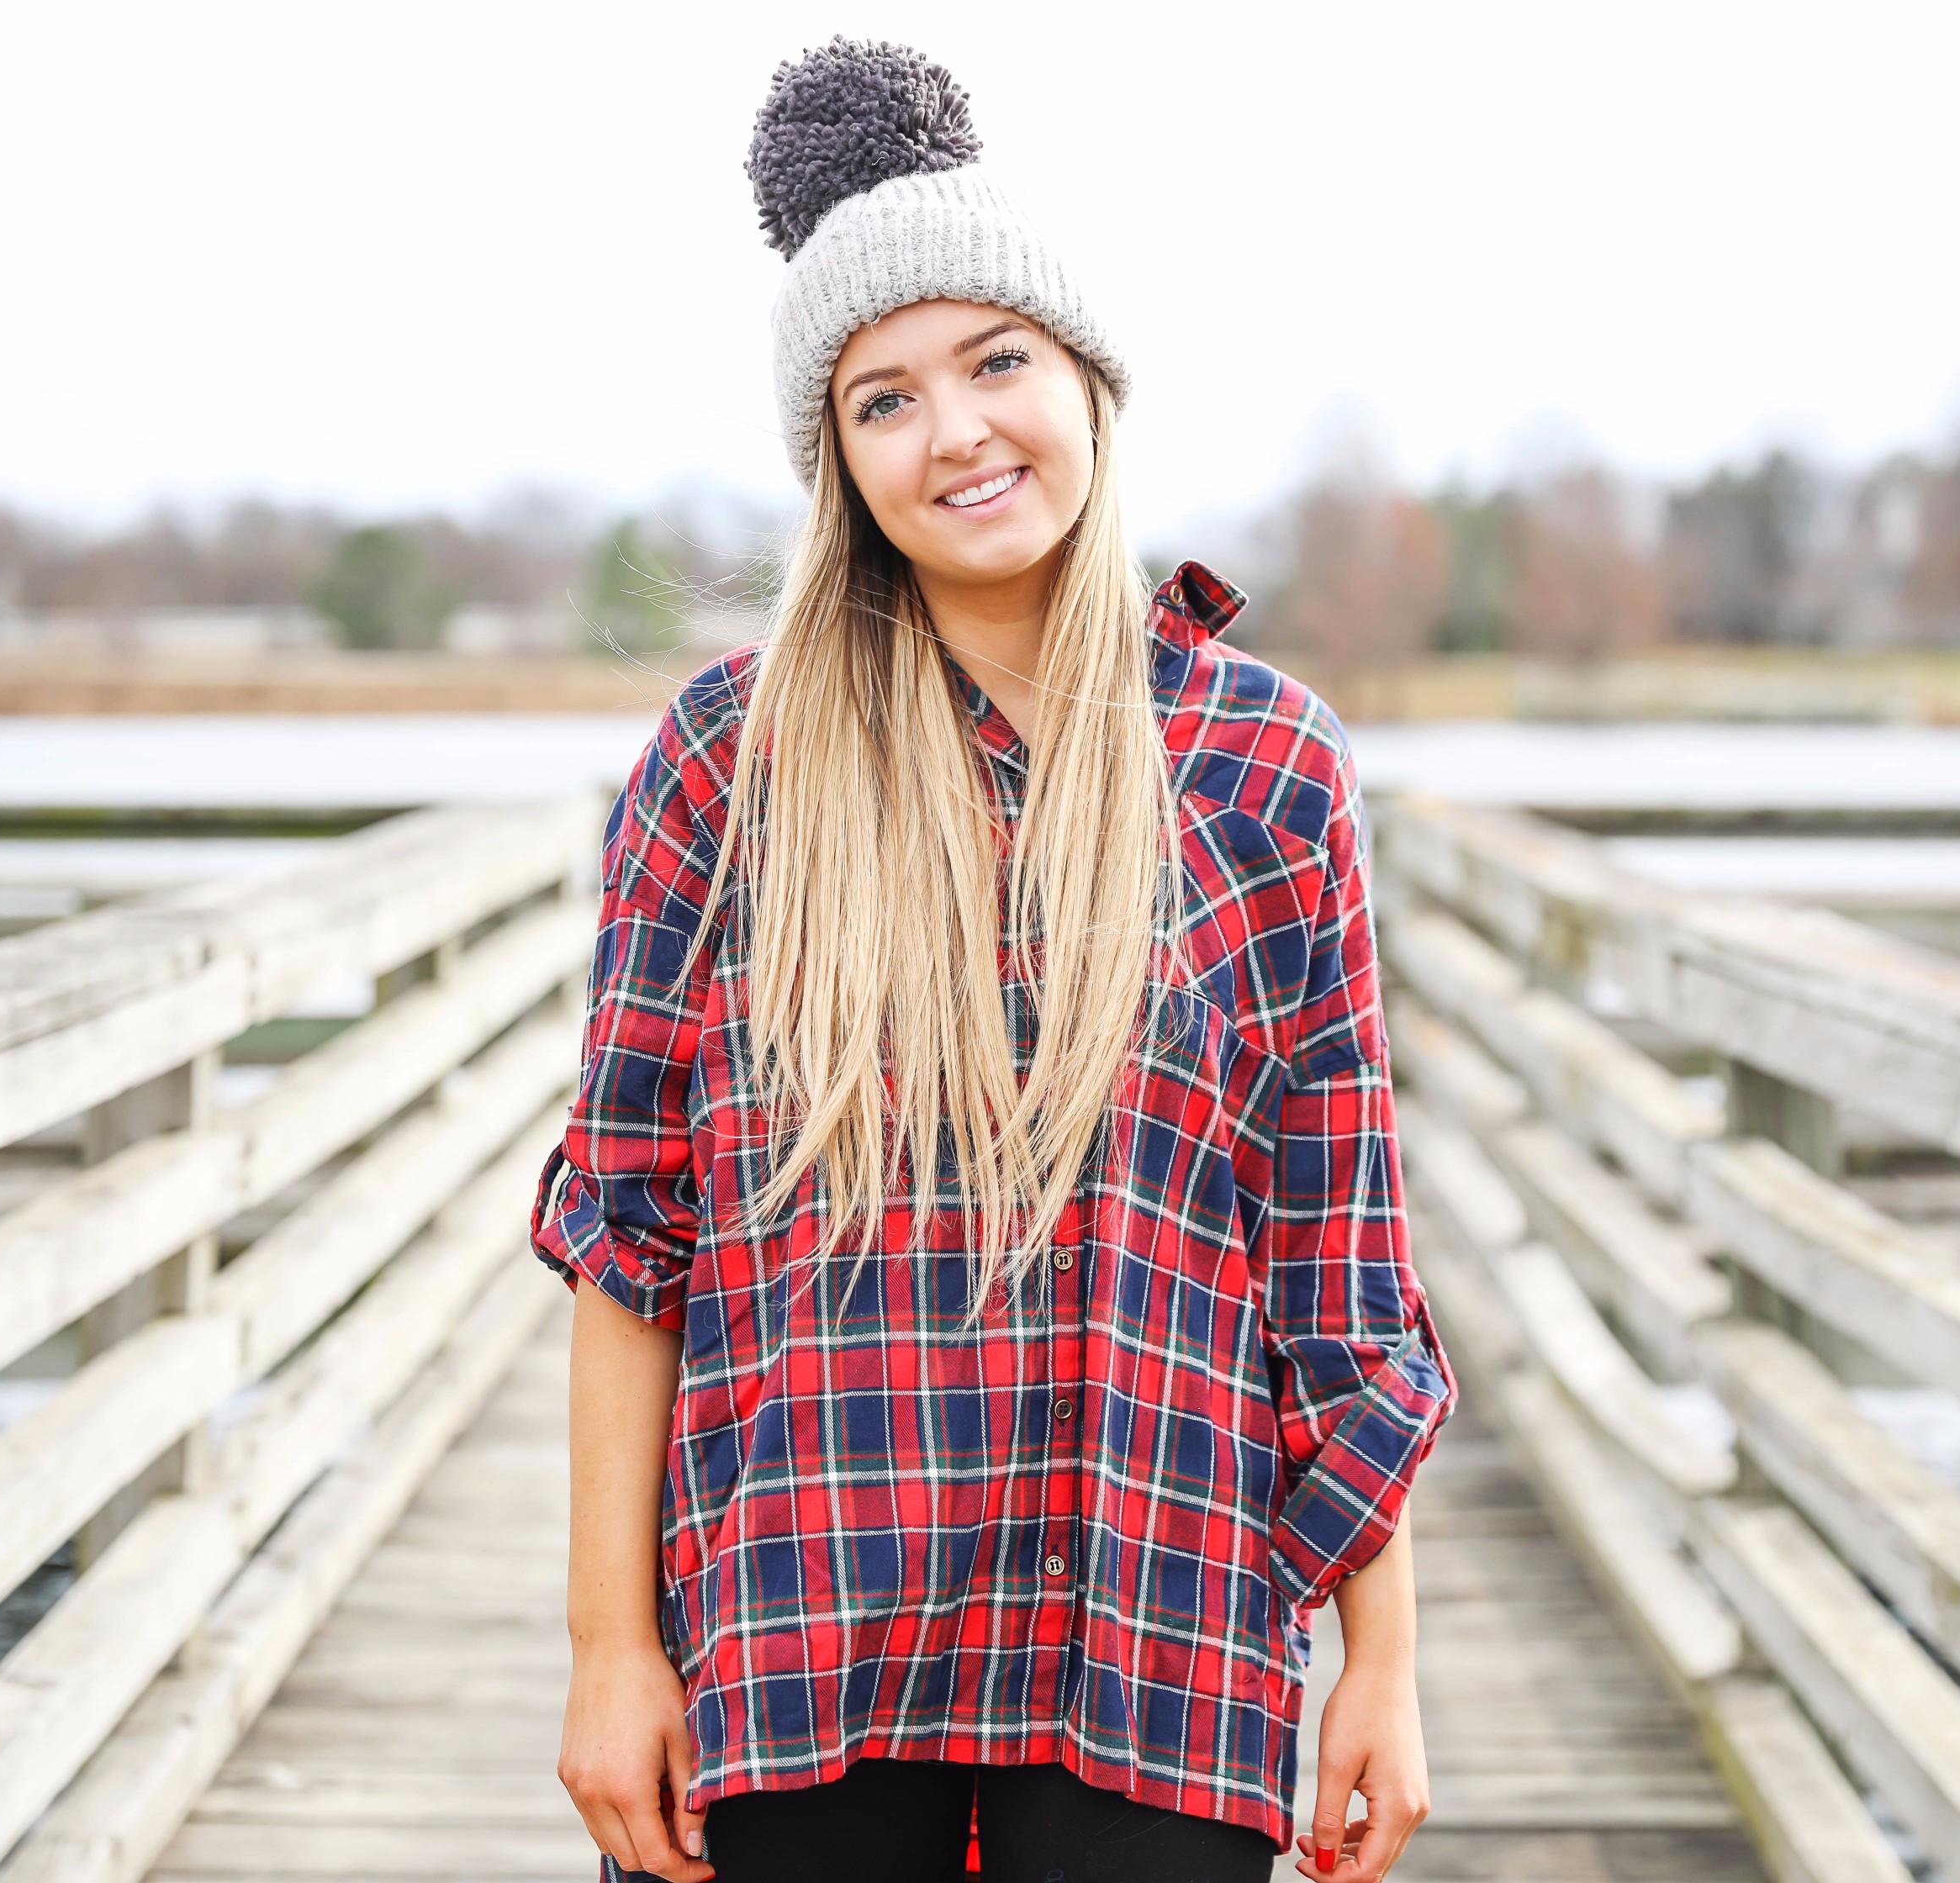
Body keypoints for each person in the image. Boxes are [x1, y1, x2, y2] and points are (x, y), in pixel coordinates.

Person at [533, 39, 1455, 1883]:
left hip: (1158, 1628)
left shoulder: (1266, 768)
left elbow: (1329, 1248)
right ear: (837, 461)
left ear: (1089, 382)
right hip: (801, 1631)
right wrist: (606, 1649)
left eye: (996, 361)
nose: (954, 432)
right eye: (883, 399)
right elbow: (633, 1232)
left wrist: (1389, 1661)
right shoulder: (730, 763)